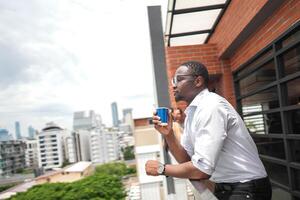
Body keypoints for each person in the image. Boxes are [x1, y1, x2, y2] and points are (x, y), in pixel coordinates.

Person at [145, 61, 272, 199]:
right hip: (227, 187)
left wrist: (162, 169)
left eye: (179, 79)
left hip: (247, 187)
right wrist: (169, 135)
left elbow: (201, 170)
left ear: (198, 81)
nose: (174, 85)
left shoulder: (211, 106)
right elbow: (186, 160)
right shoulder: (192, 114)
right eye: (173, 80)